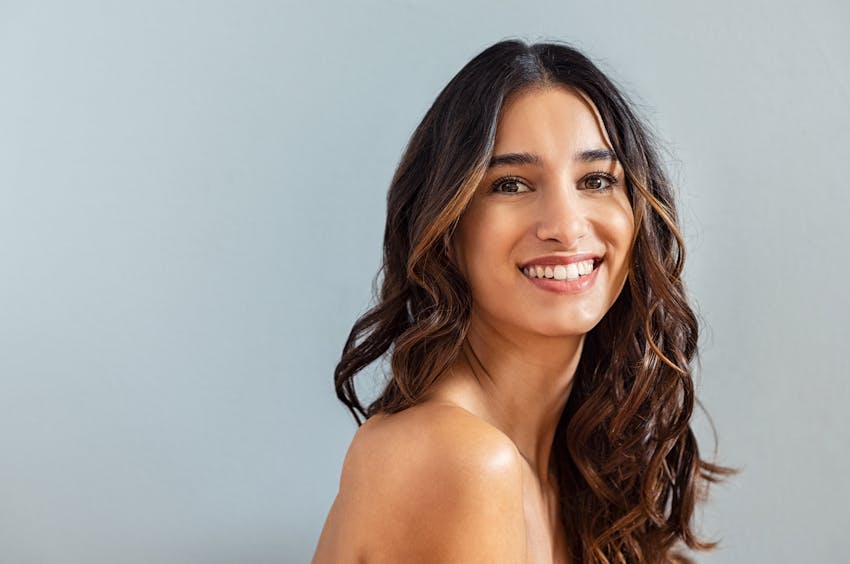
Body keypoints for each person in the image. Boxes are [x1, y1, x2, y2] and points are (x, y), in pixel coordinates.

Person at [312, 39, 735, 564]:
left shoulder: (579, 464)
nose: (566, 226)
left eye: (596, 180)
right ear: (447, 227)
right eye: (511, 184)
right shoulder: (456, 459)